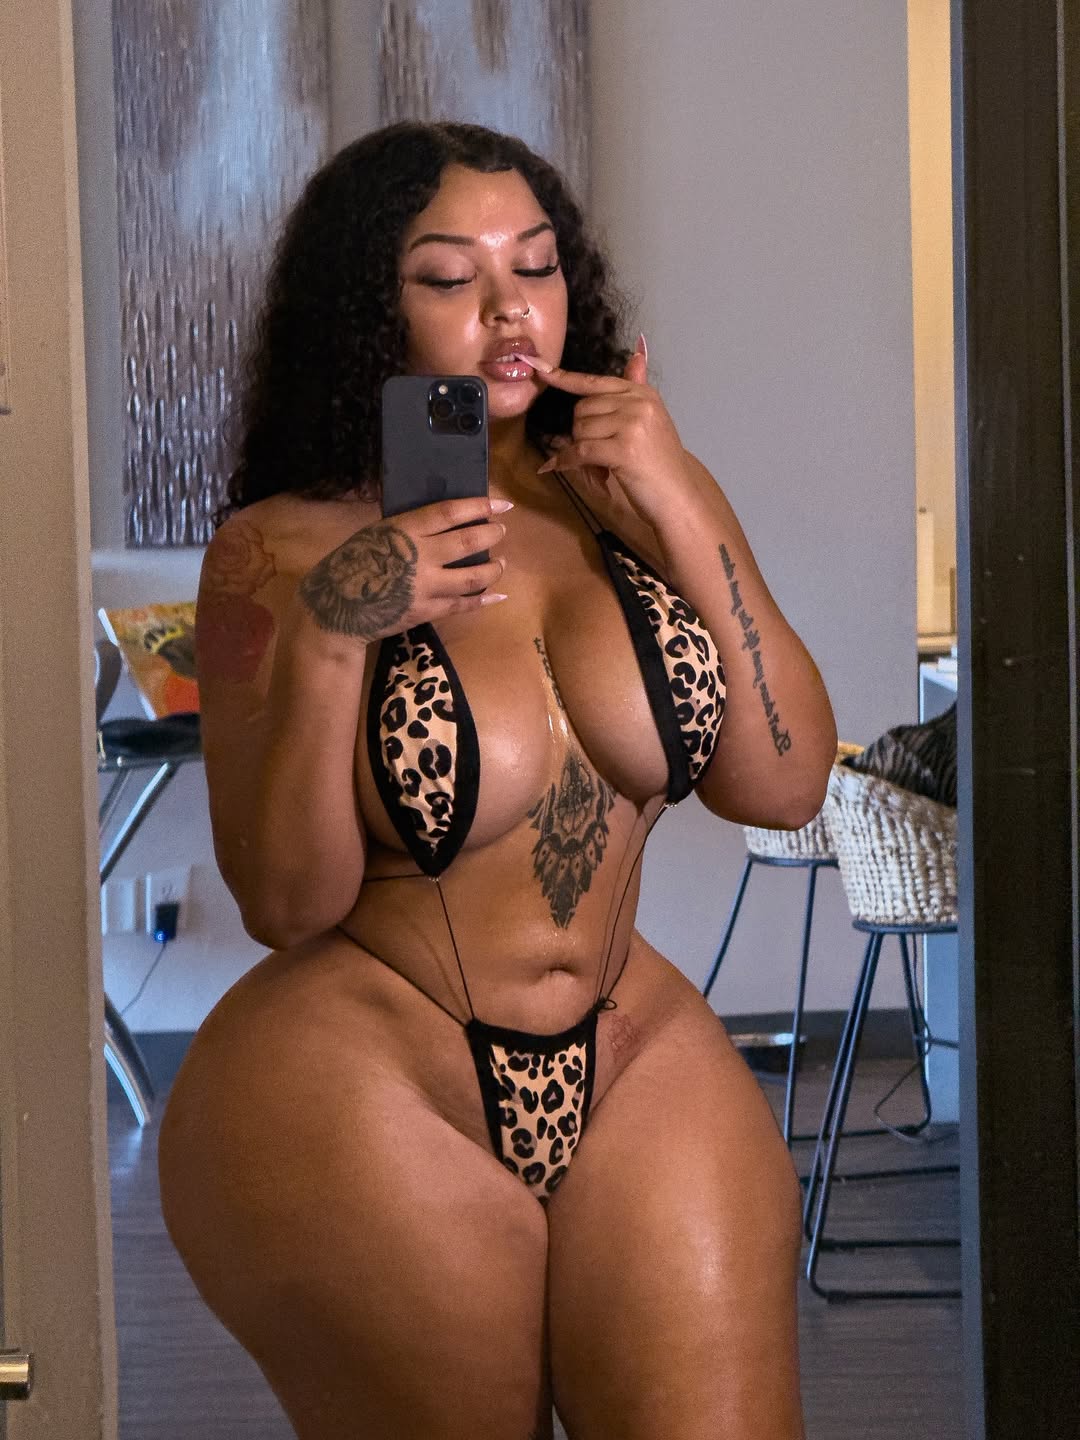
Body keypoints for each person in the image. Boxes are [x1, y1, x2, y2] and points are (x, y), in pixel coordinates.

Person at [158, 120, 837, 1440]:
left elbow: (788, 786)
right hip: (370, 1068)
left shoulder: (626, 505)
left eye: (534, 265)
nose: (508, 309)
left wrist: (686, 501)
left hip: (634, 1052)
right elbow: (287, 904)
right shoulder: (274, 549)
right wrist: (340, 630)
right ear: (369, 305)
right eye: (448, 276)